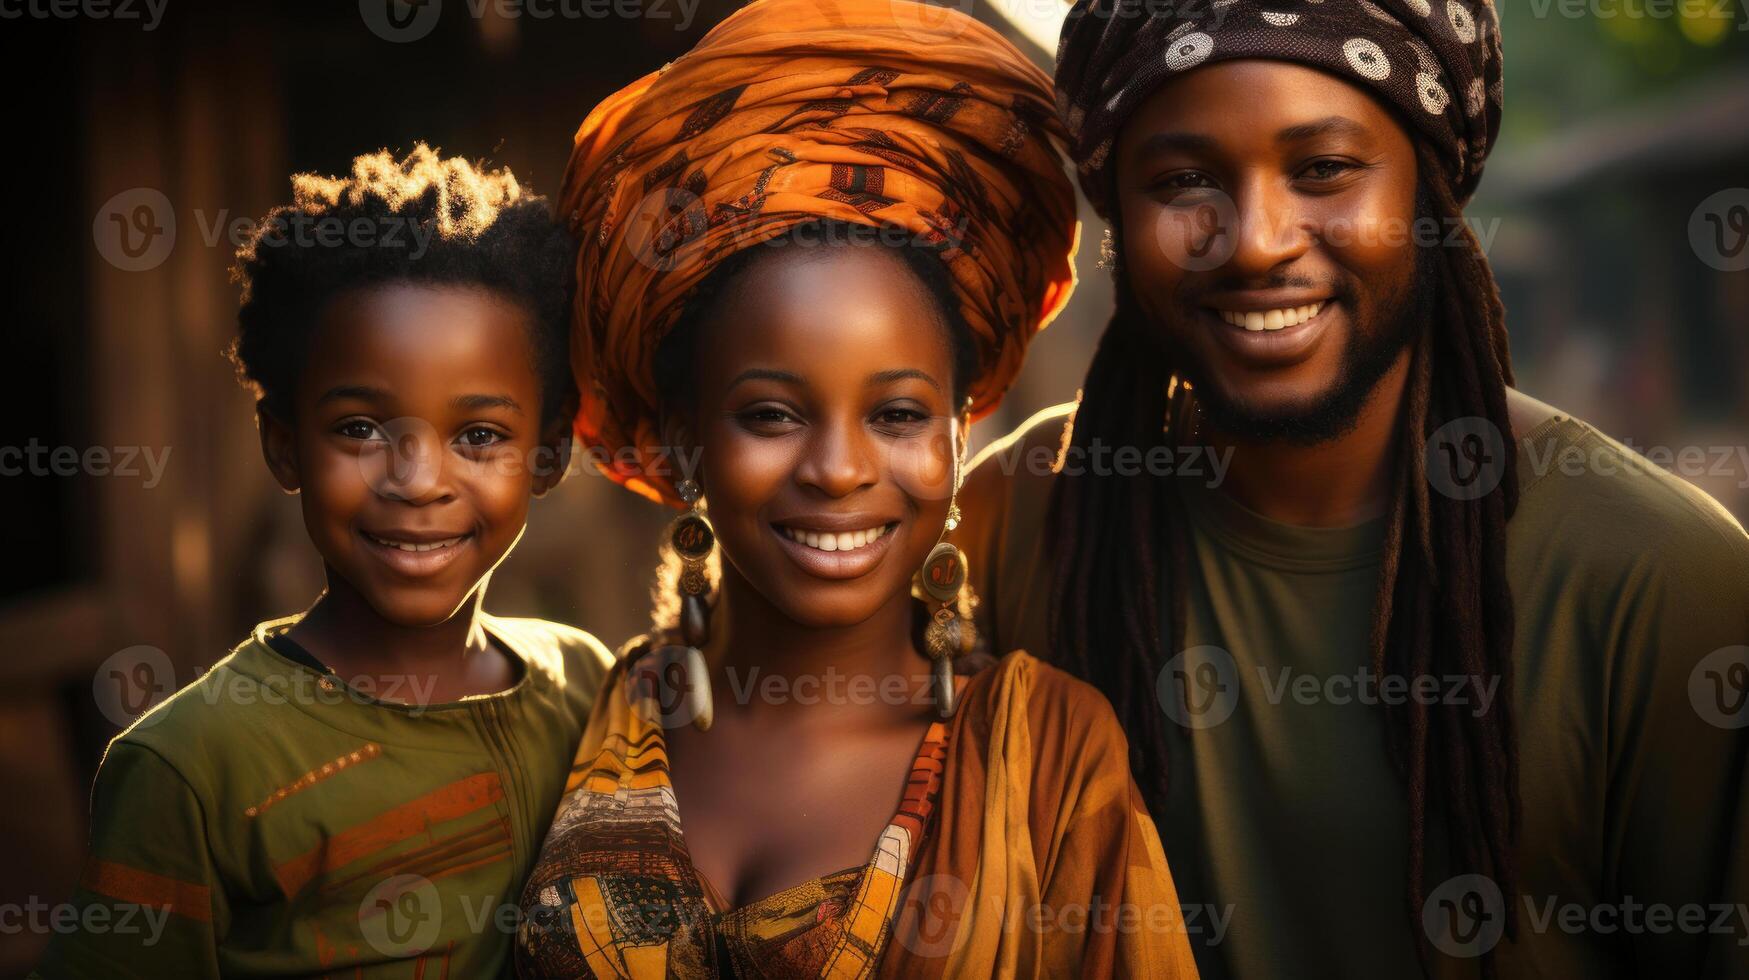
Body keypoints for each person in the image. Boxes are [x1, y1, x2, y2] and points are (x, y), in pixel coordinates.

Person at [960, 0, 1749, 976]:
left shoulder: (1666, 584)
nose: (1255, 241)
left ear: (1427, 185)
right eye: (1184, 180)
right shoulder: (1014, 520)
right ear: (1114, 205)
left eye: (1323, 168)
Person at [514, 1, 1199, 976]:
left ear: (962, 429)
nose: (838, 469)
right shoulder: (584, 715)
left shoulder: (1048, 756)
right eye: (771, 414)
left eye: (898, 415)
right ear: (680, 436)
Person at [35, 145, 614, 978]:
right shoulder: (193, 765)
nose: (417, 483)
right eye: (359, 429)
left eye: (479, 436)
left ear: (550, 456)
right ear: (284, 446)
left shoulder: (585, 686)